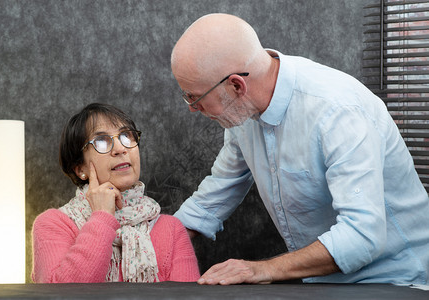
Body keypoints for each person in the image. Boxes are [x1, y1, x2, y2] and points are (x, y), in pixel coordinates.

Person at [171, 13, 429, 285]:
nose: (191, 108)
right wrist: (147, 240)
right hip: (321, 283)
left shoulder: (338, 111)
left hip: (399, 282)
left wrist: (260, 270)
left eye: (195, 97)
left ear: (236, 85)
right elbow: (214, 195)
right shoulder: (241, 111)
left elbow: (362, 236)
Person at [31, 103, 200, 283]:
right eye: (101, 141)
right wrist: (102, 217)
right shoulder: (53, 224)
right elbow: (62, 294)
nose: (120, 148)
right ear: (80, 168)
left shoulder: (171, 229)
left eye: (126, 136)